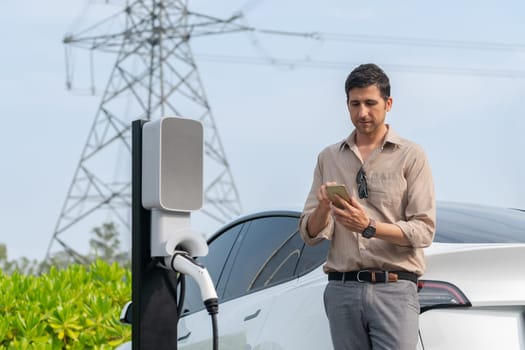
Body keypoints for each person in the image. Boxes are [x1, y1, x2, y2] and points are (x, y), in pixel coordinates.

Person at [299, 63, 436, 350]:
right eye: (355, 104)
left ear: (388, 104)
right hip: (342, 290)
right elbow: (309, 235)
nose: (362, 113)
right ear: (347, 104)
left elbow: (424, 231)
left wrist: (369, 227)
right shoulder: (328, 158)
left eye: (370, 103)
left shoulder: (411, 156)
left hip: (394, 289)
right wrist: (324, 207)